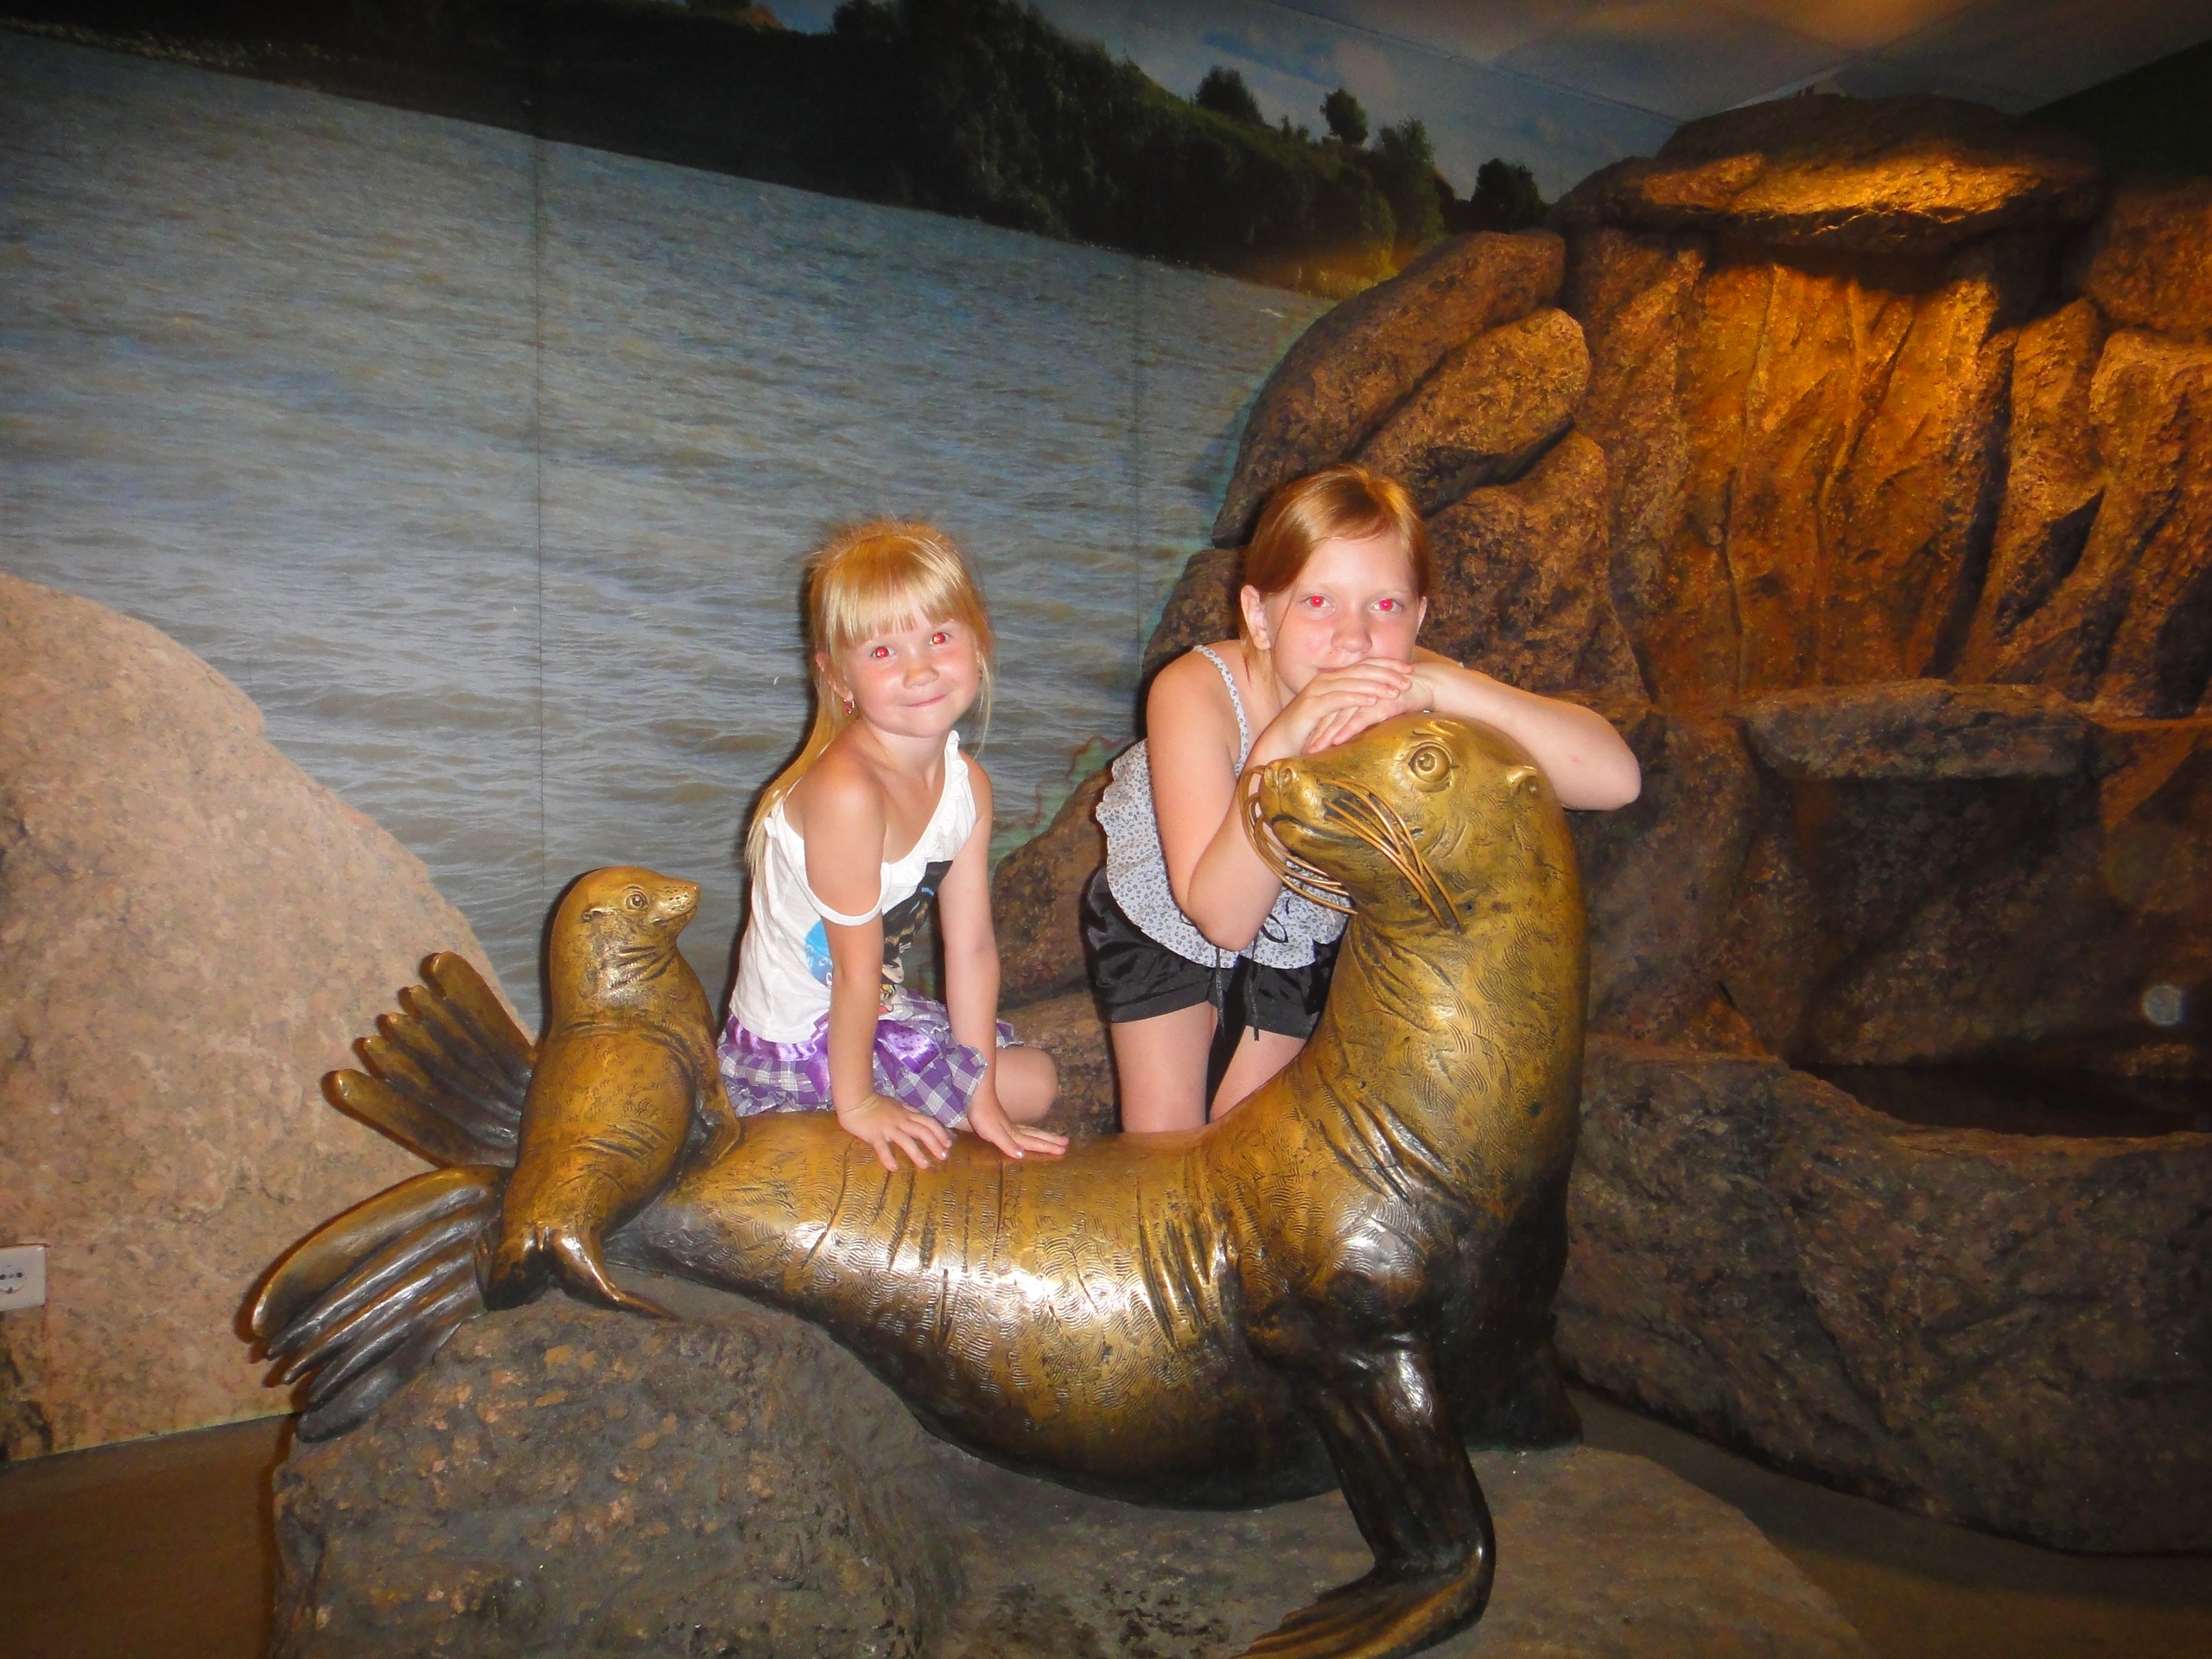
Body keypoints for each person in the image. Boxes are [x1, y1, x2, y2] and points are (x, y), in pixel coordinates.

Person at [1087, 464, 1642, 1132]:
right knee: (1166, 1137)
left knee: (1250, 1136)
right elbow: (1222, 918)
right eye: (1318, 601)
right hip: (1185, 898)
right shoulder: (1194, 689)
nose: (1353, 638)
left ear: (1419, 617)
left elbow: (1616, 779)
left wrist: (1440, 688)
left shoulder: (1401, 678)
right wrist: (1280, 745)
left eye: (1385, 606)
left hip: (1303, 913)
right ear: (1259, 616)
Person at [721, 521, 1065, 1172]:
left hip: (873, 1010)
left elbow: (971, 946)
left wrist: (981, 1096)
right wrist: (860, 1105)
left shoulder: (967, 786)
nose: (920, 669)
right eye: (883, 651)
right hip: (795, 1044)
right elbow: (854, 971)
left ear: (979, 640)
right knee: (1010, 1091)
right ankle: (818, 1121)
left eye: (939, 637)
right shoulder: (847, 794)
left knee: (1033, 1082)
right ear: (837, 678)